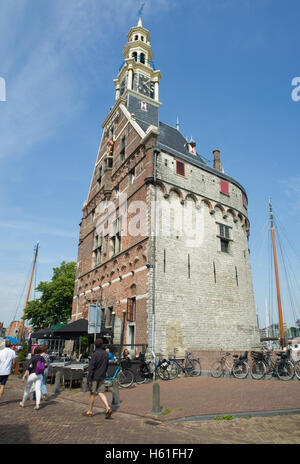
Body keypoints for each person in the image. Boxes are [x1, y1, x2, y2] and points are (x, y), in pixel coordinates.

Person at [83, 338, 112, 419]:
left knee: (92, 393)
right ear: (102, 344)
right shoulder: (105, 354)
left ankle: (90, 411)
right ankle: (107, 407)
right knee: (101, 392)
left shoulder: (95, 354)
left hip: (94, 376)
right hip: (102, 376)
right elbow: (107, 365)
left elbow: (91, 367)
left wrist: (89, 378)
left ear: (95, 345)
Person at [19, 345, 47, 410]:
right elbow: (45, 365)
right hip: (40, 375)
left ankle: (23, 402)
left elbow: (29, 368)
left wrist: (24, 376)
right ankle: (37, 404)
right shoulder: (42, 358)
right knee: (38, 389)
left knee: (27, 389)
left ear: (34, 351)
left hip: (33, 374)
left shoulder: (33, 358)